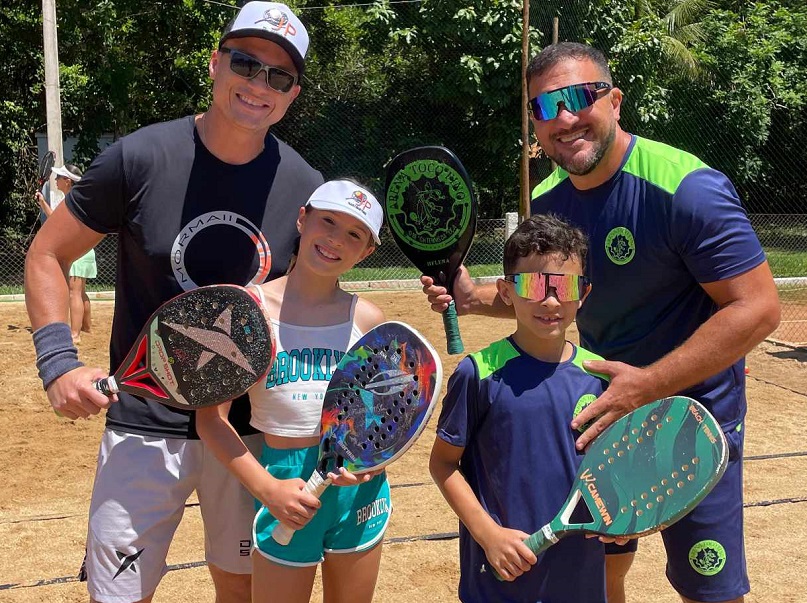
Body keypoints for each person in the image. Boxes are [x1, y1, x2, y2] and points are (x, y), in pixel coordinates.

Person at [422, 42, 780, 603]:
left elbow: (758, 308)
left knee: (709, 591)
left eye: (579, 98)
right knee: (600, 575)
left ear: (614, 101)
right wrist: (472, 297)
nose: (563, 119)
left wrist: (646, 386)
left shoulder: (686, 187)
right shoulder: (548, 197)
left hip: (691, 426)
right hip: (596, 419)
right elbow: (548, 290)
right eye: (544, 107)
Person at [24, 3, 323, 602]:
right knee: (118, 597)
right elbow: (46, 254)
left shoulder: (306, 189)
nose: (259, 84)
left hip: (247, 432)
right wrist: (57, 362)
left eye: (279, 76)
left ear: (292, 95)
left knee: (240, 590)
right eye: (245, 62)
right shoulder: (139, 158)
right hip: (143, 420)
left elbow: (310, 300)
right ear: (216, 64)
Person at [197, 179, 389, 603]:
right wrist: (269, 490)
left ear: (367, 252)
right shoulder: (249, 311)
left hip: (357, 493)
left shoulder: (369, 320)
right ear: (302, 219)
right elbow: (210, 420)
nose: (336, 239)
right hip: (283, 482)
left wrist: (373, 464)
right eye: (328, 221)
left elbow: (388, 418)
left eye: (355, 234)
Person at [430, 214, 617, 602]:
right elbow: (443, 464)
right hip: (502, 575)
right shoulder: (477, 374)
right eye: (533, 284)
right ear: (505, 291)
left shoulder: (599, 377)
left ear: (584, 293)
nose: (550, 301)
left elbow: (610, 469)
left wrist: (620, 515)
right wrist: (489, 534)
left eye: (564, 287)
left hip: (579, 575)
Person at [35, 164, 97, 343]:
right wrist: (43, 202)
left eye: (59, 177)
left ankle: (75, 334)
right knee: (81, 292)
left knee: (74, 293)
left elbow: (57, 223)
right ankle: (86, 327)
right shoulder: (78, 199)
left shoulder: (72, 200)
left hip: (78, 250)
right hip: (85, 249)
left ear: (67, 181)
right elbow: (57, 220)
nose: (55, 180)